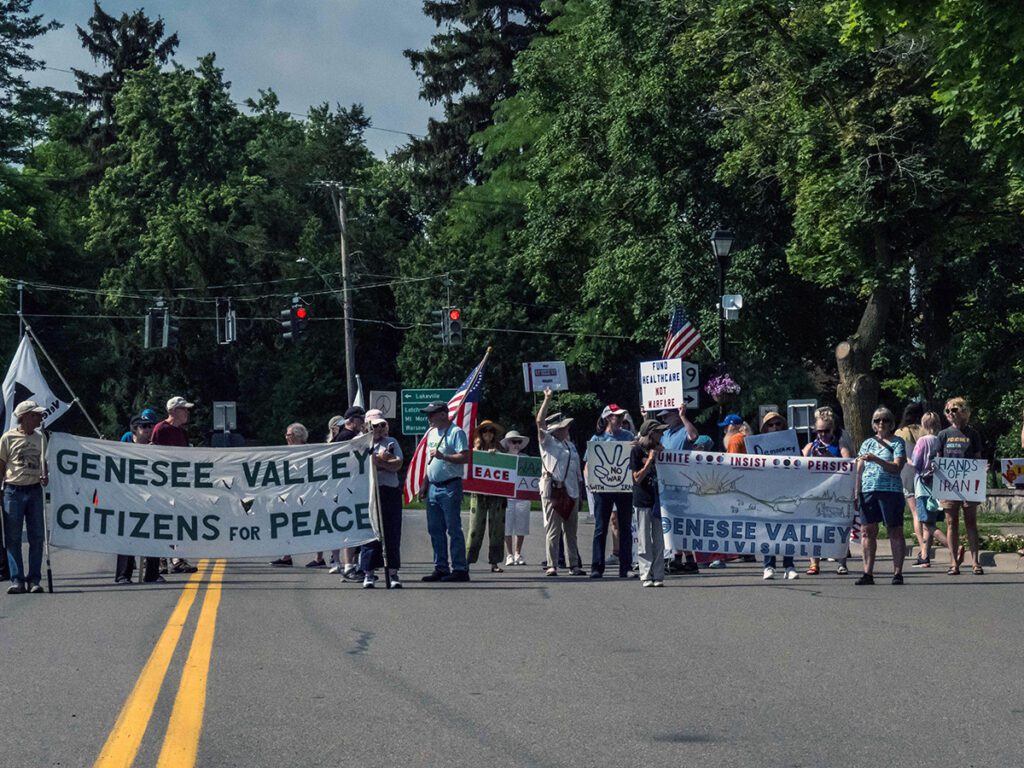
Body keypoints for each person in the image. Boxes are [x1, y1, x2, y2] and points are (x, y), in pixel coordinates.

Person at [536, 388, 585, 577]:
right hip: (554, 491)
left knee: (571, 532)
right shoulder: (547, 442)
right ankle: (552, 564)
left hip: (572, 491)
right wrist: (547, 399)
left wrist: (580, 492)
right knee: (553, 530)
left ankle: (574, 564)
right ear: (556, 429)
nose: (567, 429)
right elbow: (539, 422)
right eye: (564, 427)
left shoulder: (570, 445)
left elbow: (576, 471)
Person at [855, 407, 907, 586]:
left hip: (890, 491)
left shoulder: (897, 442)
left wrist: (876, 459)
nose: (881, 423)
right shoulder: (867, 443)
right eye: (877, 420)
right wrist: (856, 492)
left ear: (891, 423)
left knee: (894, 530)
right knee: (867, 531)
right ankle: (867, 572)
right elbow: (859, 470)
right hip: (868, 490)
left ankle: (897, 572)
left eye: (885, 420)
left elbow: (897, 467)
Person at [421, 401, 472, 582]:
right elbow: (430, 460)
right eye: (428, 414)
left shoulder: (456, 432)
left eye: (432, 414)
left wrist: (444, 456)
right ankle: (441, 567)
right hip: (434, 486)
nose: (429, 418)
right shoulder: (432, 433)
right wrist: (425, 483)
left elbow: (465, 456)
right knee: (435, 529)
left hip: (450, 485)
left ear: (443, 414)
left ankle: (459, 568)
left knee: (453, 528)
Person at [1, 401, 48, 594]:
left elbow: (44, 462)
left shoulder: (41, 438)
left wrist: (46, 476)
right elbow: (1, 465)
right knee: (13, 538)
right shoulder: (7, 438)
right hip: (13, 491)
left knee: (37, 537)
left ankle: (34, 579)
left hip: (34, 490)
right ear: (26, 416)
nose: (40, 418)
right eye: (36, 415)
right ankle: (17, 580)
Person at [150, 396, 198, 575]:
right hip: (164, 484)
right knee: (165, 520)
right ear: (172, 411)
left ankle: (178, 558)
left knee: (180, 519)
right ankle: (163, 557)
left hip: (180, 484)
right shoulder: (160, 429)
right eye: (183, 409)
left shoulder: (182, 433)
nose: (187, 412)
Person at [937, 397, 985, 575]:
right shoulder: (943, 435)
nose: (950, 413)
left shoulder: (972, 434)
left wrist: (982, 470)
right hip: (948, 485)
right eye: (948, 411)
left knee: (971, 522)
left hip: (969, 484)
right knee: (951, 523)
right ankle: (954, 562)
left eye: (954, 410)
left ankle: (975, 562)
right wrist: (935, 466)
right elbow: (939, 457)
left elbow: (978, 458)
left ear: (964, 411)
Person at [269, 423, 328, 569]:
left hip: (307, 494)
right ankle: (287, 556)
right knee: (287, 523)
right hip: (290, 495)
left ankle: (319, 558)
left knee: (314, 524)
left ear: (297, 436)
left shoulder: (309, 451)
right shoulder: (285, 452)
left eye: (288, 434)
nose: (286, 437)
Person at [803, 414, 855, 575]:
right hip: (815, 492)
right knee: (813, 528)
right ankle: (814, 563)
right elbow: (799, 463)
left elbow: (849, 464)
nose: (823, 434)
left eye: (826, 431)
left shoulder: (840, 444)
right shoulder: (811, 446)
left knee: (838, 527)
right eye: (819, 431)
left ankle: (841, 562)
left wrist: (830, 457)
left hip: (836, 492)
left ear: (833, 429)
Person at [588, 404, 635, 579]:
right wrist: (591, 483)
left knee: (625, 528)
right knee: (601, 528)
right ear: (608, 418)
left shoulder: (629, 437)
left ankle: (626, 567)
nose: (620, 419)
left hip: (624, 488)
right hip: (602, 489)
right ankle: (597, 567)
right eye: (616, 416)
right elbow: (588, 465)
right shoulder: (596, 439)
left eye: (621, 416)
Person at [358, 413, 404, 588]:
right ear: (367, 426)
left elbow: (397, 464)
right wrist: (377, 462)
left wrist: (382, 462)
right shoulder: (359, 442)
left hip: (389, 491)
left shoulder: (391, 442)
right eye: (374, 425)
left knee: (391, 532)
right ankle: (368, 573)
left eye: (381, 425)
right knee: (370, 532)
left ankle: (393, 573)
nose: (378, 429)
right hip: (368, 493)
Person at [115, 414, 162, 584]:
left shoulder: (157, 449)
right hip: (129, 498)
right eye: (144, 427)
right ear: (135, 430)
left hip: (151, 498)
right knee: (127, 535)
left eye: (150, 426)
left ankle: (152, 573)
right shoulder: (124, 450)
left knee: (154, 534)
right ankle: (123, 574)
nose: (149, 430)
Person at [656, 406, 699, 574]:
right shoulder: (665, 434)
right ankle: (681, 558)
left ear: (675, 415)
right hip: (667, 481)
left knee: (682, 521)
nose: (664, 419)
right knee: (673, 521)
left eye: (667, 416)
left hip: (682, 481)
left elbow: (694, 435)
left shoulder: (683, 431)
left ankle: (686, 559)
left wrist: (683, 417)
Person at [760, 412, 799, 580]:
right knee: (769, 530)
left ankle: (789, 565)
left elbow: (801, 464)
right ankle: (769, 566)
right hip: (767, 492)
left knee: (788, 530)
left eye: (778, 424)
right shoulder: (757, 445)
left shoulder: (792, 443)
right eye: (771, 425)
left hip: (788, 490)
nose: (775, 427)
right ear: (765, 429)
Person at [466, 420, 507, 573]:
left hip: (497, 495)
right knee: (475, 528)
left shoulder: (500, 448)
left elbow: (508, 464)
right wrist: (481, 454)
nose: (488, 434)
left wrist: (496, 455)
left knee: (497, 529)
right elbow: (468, 461)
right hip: (478, 494)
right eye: (485, 431)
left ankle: (495, 563)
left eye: (490, 431)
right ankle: (467, 561)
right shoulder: (474, 449)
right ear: (481, 434)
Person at [910, 411, 949, 567]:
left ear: (923, 424)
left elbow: (915, 463)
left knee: (927, 524)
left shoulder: (922, 441)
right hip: (937, 487)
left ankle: (953, 547)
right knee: (930, 521)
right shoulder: (940, 440)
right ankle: (925, 556)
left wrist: (906, 460)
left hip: (923, 487)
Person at [632, 419, 667, 587]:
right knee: (644, 539)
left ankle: (658, 574)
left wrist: (662, 456)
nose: (662, 435)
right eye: (659, 432)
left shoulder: (662, 450)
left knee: (659, 539)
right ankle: (646, 574)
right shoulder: (637, 451)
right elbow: (637, 478)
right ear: (651, 433)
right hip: (643, 499)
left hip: (659, 500)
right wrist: (650, 460)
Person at [895, 403, 926, 564]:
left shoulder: (900, 433)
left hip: (907, 473)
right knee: (926, 513)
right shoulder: (925, 431)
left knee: (915, 513)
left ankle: (923, 549)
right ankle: (925, 548)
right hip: (926, 474)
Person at [501, 430, 531, 566]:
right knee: (507, 527)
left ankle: (518, 553)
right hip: (507, 498)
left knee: (521, 526)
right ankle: (509, 554)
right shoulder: (502, 457)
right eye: (514, 442)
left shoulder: (526, 458)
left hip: (522, 497)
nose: (517, 444)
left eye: (519, 442)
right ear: (508, 443)